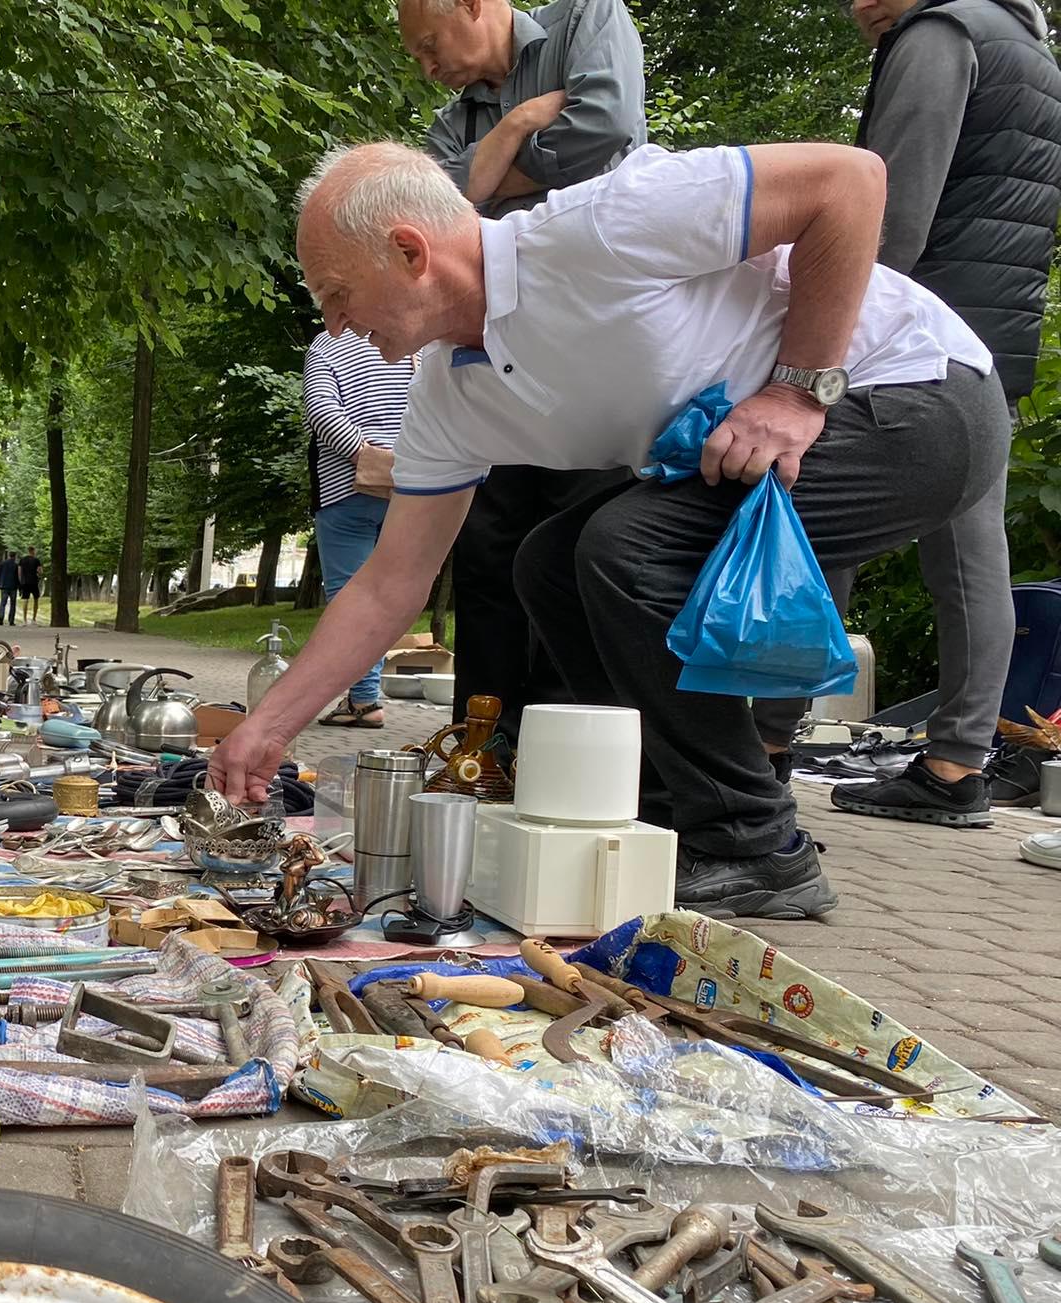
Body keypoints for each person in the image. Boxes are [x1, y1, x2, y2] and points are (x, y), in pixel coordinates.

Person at [211, 139, 1011, 921]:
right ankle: (666, 823)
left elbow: (848, 180)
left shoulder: (600, 226)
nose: (336, 326)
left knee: (626, 549)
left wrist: (797, 390)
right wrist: (266, 730)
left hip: (917, 401)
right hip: (769, 448)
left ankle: (756, 845)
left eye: (336, 293)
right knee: (550, 564)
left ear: (409, 252)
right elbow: (390, 584)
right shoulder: (449, 399)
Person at [751, 0, 1061, 825]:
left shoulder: (941, 35)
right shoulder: (1029, 49)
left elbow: (886, 212)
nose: (858, 6)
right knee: (970, 559)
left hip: (910, 342)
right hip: (988, 341)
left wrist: (823, 335)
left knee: (822, 524)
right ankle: (957, 764)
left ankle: (767, 745)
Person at [403, 0, 647, 749]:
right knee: (488, 551)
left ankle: (575, 747)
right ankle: (479, 747)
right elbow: (440, 212)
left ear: (472, 6)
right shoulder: (454, 119)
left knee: (580, 545)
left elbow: (604, 131)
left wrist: (488, 180)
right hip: (493, 345)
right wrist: (514, 127)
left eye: (429, 44)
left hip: (596, 335)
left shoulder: (588, 17)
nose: (428, 67)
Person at [303, 329, 415, 727]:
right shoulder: (408, 341)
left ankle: (364, 699)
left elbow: (321, 411)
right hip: (409, 488)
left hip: (346, 490)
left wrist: (366, 458)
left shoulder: (327, 344)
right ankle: (363, 696)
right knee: (388, 595)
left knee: (350, 597)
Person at [0, 550, 21, 625]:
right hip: (13, 587)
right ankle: (11, 620)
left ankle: (1, 617)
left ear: (9, 555)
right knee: (13, 604)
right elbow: (17, 577)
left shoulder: (3, 564)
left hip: (4, 586)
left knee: (3, 603)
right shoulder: (15, 565)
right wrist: (19, 587)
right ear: (15, 557)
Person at [17, 547, 42, 618]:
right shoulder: (36, 560)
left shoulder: (22, 560)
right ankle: (34, 618)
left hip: (25, 582)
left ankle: (24, 619)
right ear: (33, 551)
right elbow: (40, 571)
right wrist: (39, 574)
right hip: (34, 582)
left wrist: (21, 580)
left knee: (25, 600)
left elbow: (19, 572)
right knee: (36, 600)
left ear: (28, 551)